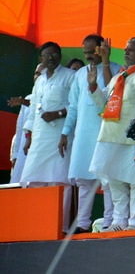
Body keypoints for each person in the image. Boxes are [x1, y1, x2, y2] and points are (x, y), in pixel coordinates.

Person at [88, 37, 135, 231]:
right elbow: (105, 103)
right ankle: (119, 222)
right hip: (110, 134)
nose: (126, 52)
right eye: (126, 49)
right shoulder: (119, 77)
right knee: (115, 180)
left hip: (133, 136)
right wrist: (93, 87)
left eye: (132, 50)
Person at [58, 34, 121, 233]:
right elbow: (74, 107)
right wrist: (65, 132)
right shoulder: (79, 74)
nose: (88, 57)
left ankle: (110, 223)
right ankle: (83, 224)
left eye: (91, 52)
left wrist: (104, 65)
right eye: (85, 53)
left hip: (106, 132)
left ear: (102, 48)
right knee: (84, 182)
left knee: (108, 180)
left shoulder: (117, 70)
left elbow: (110, 101)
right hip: (84, 134)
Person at [21, 42, 76, 233]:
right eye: (47, 55)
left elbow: (77, 105)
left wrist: (58, 114)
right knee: (34, 179)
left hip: (61, 133)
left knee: (59, 180)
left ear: (60, 56)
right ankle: (37, 224)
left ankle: (59, 226)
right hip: (40, 136)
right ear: (40, 59)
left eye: (55, 54)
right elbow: (33, 110)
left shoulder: (70, 76)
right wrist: (28, 136)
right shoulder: (40, 80)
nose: (51, 57)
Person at [7, 63, 43, 185]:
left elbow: (38, 105)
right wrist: (16, 154)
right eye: (36, 73)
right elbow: (19, 128)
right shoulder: (29, 96)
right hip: (23, 148)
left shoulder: (48, 95)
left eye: (42, 73)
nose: (38, 76)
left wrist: (23, 101)